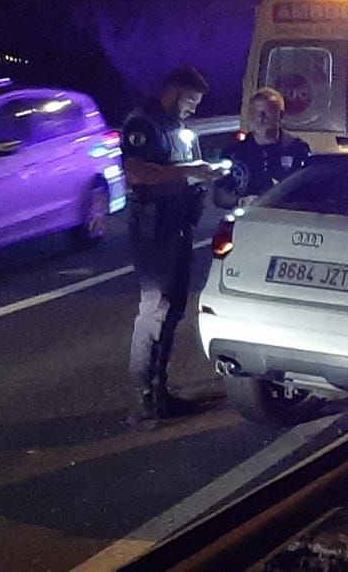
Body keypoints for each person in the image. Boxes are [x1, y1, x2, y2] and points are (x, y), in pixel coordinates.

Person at [120, 66, 226, 425]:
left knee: (172, 308)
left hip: (179, 227)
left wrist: (204, 173)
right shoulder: (143, 124)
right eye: (191, 101)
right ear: (174, 92)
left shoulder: (179, 129)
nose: (193, 110)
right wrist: (191, 171)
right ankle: (144, 399)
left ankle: (159, 391)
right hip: (154, 229)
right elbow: (136, 172)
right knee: (155, 309)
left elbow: (184, 169)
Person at [214, 87, 310, 209]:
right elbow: (219, 196)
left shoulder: (297, 149)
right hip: (245, 222)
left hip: (284, 221)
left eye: (266, 113)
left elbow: (307, 194)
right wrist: (241, 202)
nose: (259, 118)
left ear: (280, 116)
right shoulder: (234, 152)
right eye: (255, 113)